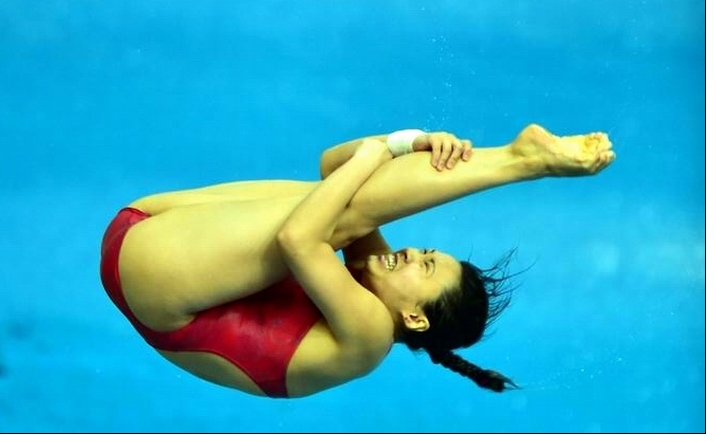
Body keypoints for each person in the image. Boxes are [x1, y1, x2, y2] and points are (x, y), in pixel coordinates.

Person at [100, 122, 615, 398]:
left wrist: (377, 153)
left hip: (154, 283)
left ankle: (520, 162)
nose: (410, 253)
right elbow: (332, 165)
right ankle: (515, 159)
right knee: (343, 198)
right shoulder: (371, 280)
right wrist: (409, 142)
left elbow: (298, 239)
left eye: (424, 267)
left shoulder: (369, 334)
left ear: (414, 318)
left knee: (341, 213)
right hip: (146, 228)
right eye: (426, 252)